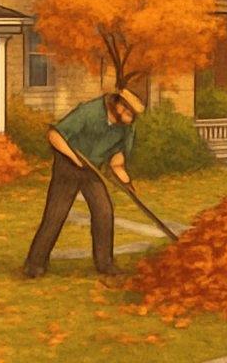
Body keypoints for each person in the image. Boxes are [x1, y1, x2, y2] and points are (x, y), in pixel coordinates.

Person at [24, 88, 145, 278]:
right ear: (119, 105)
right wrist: (74, 158)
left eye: (133, 115)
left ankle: (105, 263)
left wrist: (125, 180)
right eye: (129, 112)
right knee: (56, 214)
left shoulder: (126, 129)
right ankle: (35, 264)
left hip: (91, 170)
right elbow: (55, 135)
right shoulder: (89, 112)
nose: (131, 117)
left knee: (104, 212)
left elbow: (117, 160)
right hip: (68, 165)